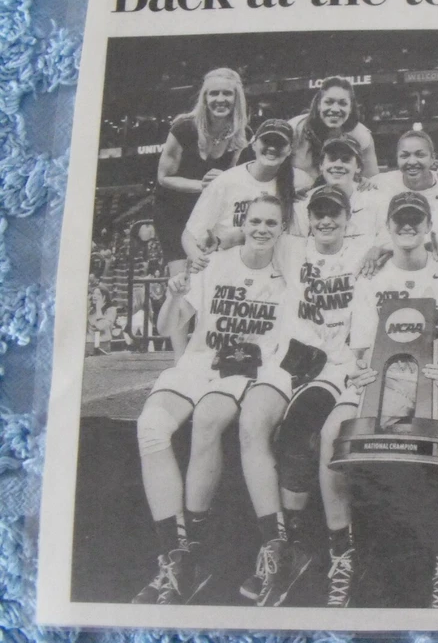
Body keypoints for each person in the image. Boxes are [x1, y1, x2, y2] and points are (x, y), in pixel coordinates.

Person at [317, 191, 438, 608]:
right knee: (330, 433)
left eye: (416, 220)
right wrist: (363, 371)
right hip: (385, 373)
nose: (407, 227)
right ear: (387, 227)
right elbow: (360, 347)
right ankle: (341, 554)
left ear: (429, 226)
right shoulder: (371, 275)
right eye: (400, 220)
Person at [133, 194, 287, 605]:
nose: (261, 229)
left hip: (243, 369)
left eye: (271, 223)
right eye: (255, 220)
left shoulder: (288, 272)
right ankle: (175, 555)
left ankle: (195, 552)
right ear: (244, 222)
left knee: (207, 418)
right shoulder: (215, 264)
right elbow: (169, 326)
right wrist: (173, 293)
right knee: (150, 427)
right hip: (200, 360)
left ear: (283, 229)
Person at [234, 185, 374, 607]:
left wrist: (382, 248)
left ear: (349, 216)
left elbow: (410, 234)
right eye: (319, 214)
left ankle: (294, 540)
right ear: (307, 218)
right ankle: (275, 545)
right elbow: (249, 229)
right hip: (290, 356)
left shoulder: (365, 248)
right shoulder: (292, 248)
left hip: (335, 362)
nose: (326, 221)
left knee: (299, 431)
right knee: (250, 425)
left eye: (335, 213)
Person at [154, 67, 249, 358]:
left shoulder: (243, 135)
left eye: (227, 93)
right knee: (181, 277)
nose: (220, 99)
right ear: (204, 97)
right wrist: (201, 185)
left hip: (211, 214)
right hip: (174, 209)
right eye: (214, 93)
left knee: (213, 276)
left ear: (237, 98)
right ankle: (179, 361)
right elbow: (164, 176)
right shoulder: (184, 127)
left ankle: (212, 348)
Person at [183, 119, 312, 267]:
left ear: (290, 149)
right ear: (254, 144)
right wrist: (198, 259)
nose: (272, 148)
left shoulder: (301, 181)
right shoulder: (226, 182)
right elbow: (190, 235)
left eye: (279, 143)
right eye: (266, 141)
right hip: (227, 266)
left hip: (274, 270)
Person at [290, 76, 378, 179]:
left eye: (343, 103)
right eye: (329, 102)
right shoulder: (295, 128)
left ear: (350, 108)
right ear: (319, 105)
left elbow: (372, 179)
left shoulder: (361, 135)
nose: (335, 109)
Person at [372, 130, 438, 208]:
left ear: (432, 158)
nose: (412, 162)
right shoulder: (380, 183)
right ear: (397, 158)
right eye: (404, 155)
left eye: (420, 155)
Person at [87, 284, 118, 355]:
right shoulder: (90, 310)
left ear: (104, 297)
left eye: (98, 294)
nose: (94, 296)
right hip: (89, 343)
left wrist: (98, 310)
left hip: (103, 344)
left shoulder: (111, 310)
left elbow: (101, 326)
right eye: (93, 293)